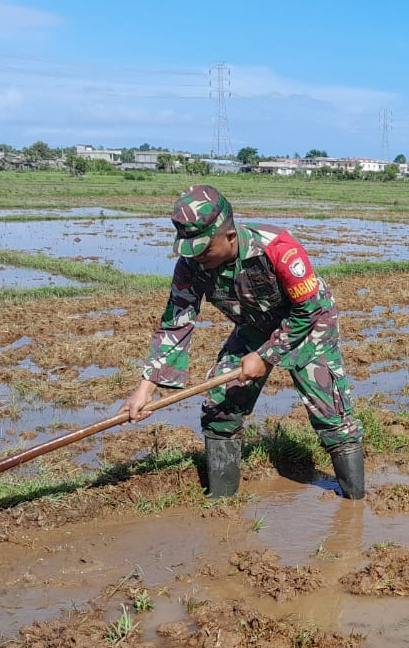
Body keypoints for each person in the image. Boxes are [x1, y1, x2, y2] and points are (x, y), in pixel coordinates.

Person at [121, 184, 365, 499]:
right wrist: (145, 389)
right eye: (190, 249)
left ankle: (354, 504)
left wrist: (266, 356)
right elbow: (175, 323)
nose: (196, 257)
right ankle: (222, 501)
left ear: (230, 236)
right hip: (254, 327)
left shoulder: (276, 247)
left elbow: (310, 308)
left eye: (204, 249)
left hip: (308, 325)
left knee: (331, 414)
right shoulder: (192, 264)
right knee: (219, 404)